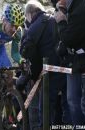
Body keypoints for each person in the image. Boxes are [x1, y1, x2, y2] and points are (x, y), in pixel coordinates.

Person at [20, 0, 71, 129]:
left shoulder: (34, 27)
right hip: (67, 67)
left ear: (30, 14)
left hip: (50, 73)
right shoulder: (54, 18)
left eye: (26, 17)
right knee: (67, 107)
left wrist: (34, 74)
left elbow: (26, 51)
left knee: (46, 109)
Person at [54, 0, 85, 127]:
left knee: (84, 105)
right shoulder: (68, 7)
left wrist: (62, 22)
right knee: (73, 101)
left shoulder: (81, 8)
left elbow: (69, 38)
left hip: (84, 61)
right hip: (73, 62)